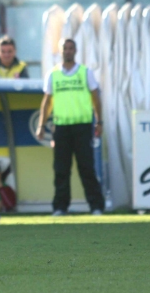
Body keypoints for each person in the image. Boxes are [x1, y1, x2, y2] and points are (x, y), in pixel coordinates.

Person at [36, 38, 105, 216]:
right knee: (61, 169)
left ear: (75, 51)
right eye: (65, 48)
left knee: (87, 168)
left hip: (82, 127)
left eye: (70, 48)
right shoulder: (53, 74)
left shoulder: (85, 72)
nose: (67, 51)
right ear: (60, 51)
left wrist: (99, 121)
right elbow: (47, 102)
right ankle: (60, 207)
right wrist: (41, 125)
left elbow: (96, 97)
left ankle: (96, 206)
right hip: (61, 127)